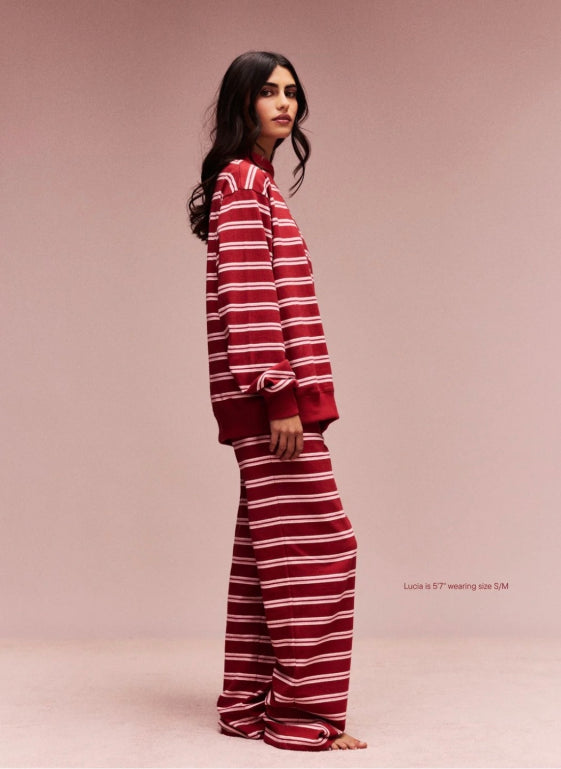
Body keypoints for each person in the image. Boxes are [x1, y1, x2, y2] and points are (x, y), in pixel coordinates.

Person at [188, 51, 367, 752]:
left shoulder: (254, 183)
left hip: (276, 399)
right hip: (272, 402)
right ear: (243, 103)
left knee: (270, 558)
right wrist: (278, 392)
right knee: (321, 551)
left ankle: (248, 703)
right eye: (267, 92)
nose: (284, 103)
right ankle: (299, 716)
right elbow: (249, 295)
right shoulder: (241, 183)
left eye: (291, 91)